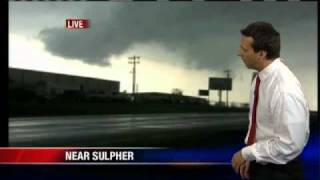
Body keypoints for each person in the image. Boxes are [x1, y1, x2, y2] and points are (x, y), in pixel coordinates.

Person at [231, 22, 310, 180]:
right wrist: (252, 156)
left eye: (245, 49)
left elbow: (289, 144)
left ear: (262, 53)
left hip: (280, 172)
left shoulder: (283, 89)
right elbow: (260, 127)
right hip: (265, 164)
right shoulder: (261, 78)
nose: (239, 53)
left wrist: (247, 153)